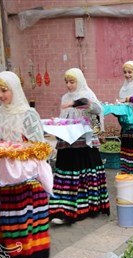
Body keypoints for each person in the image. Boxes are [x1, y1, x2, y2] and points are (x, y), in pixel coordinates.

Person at [0, 71, 53, 258]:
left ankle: (31, 251)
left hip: (27, 175)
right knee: (10, 213)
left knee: (28, 213)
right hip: (5, 174)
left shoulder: (29, 114)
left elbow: (40, 146)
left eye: (4, 90)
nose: (1, 95)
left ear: (14, 90)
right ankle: (11, 249)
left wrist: (18, 150)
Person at [49, 68, 110, 224]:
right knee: (66, 176)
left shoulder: (87, 94)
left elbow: (97, 109)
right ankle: (62, 210)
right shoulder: (64, 97)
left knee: (83, 176)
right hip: (67, 144)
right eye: (66, 82)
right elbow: (64, 118)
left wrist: (76, 103)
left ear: (79, 81)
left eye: (72, 81)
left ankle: (86, 208)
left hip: (84, 144)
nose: (69, 85)